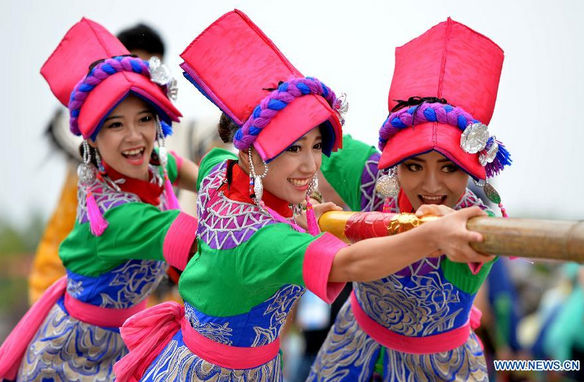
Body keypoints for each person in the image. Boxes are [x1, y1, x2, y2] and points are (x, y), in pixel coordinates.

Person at [114, 11, 493, 382]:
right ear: (250, 151)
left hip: (432, 367)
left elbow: (204, 162)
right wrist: (431, 235)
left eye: (315, 146)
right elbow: (350, 264)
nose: (312, 165)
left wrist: (295, 213)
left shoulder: (218, 170)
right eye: (292, 148)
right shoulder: (265, 240)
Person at [309, 18, 511, 381]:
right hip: (349, 353)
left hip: (440, 369)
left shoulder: (483, 222)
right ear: (395, 160)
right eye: (414, 165)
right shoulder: (370, 174)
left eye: (449, 168)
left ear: (473, 167)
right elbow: (301, 130)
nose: (431, 185)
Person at [0, 18, 199, 382]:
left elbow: (193, 174)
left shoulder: (152, 164)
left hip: (130, 340)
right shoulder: (115, 215)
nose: (135, 136)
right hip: (72, 356)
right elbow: (210, 240)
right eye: (115, 124)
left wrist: (256, 190)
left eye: (144, 117)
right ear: (91, 137)